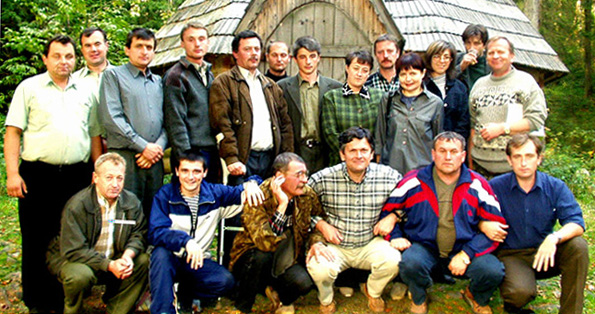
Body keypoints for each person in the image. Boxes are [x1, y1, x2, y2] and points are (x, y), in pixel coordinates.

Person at [4, 34, 98, 312]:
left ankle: (67, 295)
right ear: (45, 59)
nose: (63, 61)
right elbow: (12, 133)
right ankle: (37, 300)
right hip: (38, 175)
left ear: (75, 59)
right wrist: (12, 173)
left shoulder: (85, 91)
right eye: (56, 56)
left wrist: (95, 171)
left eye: (69, 56)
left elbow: (93, 135)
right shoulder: (29, 88)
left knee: (71, 237)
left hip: (77, 176)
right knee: (35, 237)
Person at [376, 131, 505, 314]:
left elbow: (497, 229)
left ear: (463, 156)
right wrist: (395, 234)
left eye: (454, 151)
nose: (448, 157)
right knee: (410, 263)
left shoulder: (478, 184)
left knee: (493, 271)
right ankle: (419, 296)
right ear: (433, 154)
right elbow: (387, 212)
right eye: (442, 151)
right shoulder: (414, 181)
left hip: (464, 248)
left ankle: (475, 295)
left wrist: (467, 254)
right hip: (425, 247)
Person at [149, 152, 263, 314]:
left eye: (196, 171)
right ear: (176, 171)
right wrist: (185, 241)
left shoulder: (215, 194)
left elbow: (255, 185)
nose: (190, 177)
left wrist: (251, 183)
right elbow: (156, 232)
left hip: (197, 261)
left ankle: (185, 294)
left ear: (204, 173)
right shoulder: (165, 195)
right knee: (160, 253)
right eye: (185, 171)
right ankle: (163, 310)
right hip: (169, 258)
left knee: (225, 281)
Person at [486, 134, 588, 314]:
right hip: (512, 255)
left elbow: (576, 223)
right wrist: (483, 225)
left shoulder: (555, 187)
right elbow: (474, 217)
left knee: (578, 247)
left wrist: (554, 238)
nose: (523, 163)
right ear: (509, 160)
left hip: (546, 252)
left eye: (529, 156)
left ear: (539, 159)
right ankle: (514, 302)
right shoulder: (495, 187)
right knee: (519, 292)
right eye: (517, 157)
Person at [307, 127, 402, 313]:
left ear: (372, 153)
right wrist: (320, 224)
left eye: (364, 150)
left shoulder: (389, 176)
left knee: (394, 260)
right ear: (342, 154)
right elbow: (300, 207)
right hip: (335, 246)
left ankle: (373, 292)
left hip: (370, 243)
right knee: (319, 268)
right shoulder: (323, 178)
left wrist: (393, 216)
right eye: (352, 150)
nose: (359, 155)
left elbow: (409, 202)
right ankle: (326, 299)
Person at [46, 152, 149, 314]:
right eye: (109, 178)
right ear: (95, 178)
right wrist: (109, 265)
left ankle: (117, 309)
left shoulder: (131, 202)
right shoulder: (77, 205)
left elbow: (138, 234)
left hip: (113, 258)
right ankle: (73, 310)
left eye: (119, 178)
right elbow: (73, 250)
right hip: (77, 260)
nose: (115, 184)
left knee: (142, 261)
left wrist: (127, 257)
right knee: (79, 276)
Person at [230, 153, 326, 314]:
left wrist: (316, 242)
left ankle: (282, 299)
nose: (305, 180)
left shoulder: (307, 195)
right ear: (279, 177)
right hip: (252, 260)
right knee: (262, 257)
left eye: (305, 174)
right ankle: (242, 307)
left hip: (286, 259)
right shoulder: (259, 196)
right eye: (299, 175)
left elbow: (319, 220)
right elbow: (265, 243)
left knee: (303, 283)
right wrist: (282, 205)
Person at [209, 30, 293, 186]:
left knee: (269, 206)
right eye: (247, 49)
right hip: (243, 159)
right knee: (242, 207)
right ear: (235, 53)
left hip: (270, 159)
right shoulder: (224, 83)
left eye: (256, 49)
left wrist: (285, 161)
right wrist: (231, 158)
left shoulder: (270, 86)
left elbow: (285, 126)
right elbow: (222, 125)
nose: (253, 53)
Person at [99, 28, 166, 217]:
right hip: (125, 157)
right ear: (127, 50)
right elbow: (112, 118)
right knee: (125, 211)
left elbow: (168, 120)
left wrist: (156, 148)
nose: (144, 51)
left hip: (154, 159)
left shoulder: (158, 81)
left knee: (153, 210)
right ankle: (126, 247)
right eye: (139, 46)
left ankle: (151, 246)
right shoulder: (113, 76)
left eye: (149, 47)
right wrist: (143, 147)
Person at [469, 36, 548, 179]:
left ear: (512, 56)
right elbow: (473, 125)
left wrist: (502, 129)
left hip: (515, 169)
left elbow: (536, 120)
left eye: (501, 52)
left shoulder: (526, 82)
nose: (495, 56)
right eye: (491, 53)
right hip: (480, 168)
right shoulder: (478, 85)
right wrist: (470, 162)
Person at [163, 22, 223, 183]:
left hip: (211, 149)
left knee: (211, 202)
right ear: (182, 43)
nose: (197, 44)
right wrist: (186, 158)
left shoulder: (209, 74)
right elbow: (174, 121)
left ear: (208, 42)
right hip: (191, 153)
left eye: (202, 39)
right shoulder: (175, 76)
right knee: (188, 204)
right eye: (191, 39)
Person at [278, 36, 342, 173]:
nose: (308, 62)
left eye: (312, 56)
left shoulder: (335, 88)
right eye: (303, 57)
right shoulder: (282, 88)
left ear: (319, 57)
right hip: (296, 152)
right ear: (294, 59)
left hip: (326, 153)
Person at [375, 52, 443, 175]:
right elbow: (380, 137)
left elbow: (438, 140)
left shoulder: (435, 103)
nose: (408, 79)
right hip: (390, 170)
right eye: (403, 74)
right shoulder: (388, 100)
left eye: (413, 73)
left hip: (422, 171)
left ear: (423, 73)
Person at [321, 50, 383, 165]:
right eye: (356, 68)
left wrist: (367, 154)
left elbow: (382, 132)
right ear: (347, 68)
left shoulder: (379, 96)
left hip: (370, 162)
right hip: (339, 162)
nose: (359, 74)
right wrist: (350, 154)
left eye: (364, 70)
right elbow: (330, 134)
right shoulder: (332, 97)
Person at [73, 27, 112, 161]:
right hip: (84, 154)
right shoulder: (72, 82)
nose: (93, 49)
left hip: (119, 150)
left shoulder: (122, 77)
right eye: (88, 45)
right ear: (82, 50)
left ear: (106, 46)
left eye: (97, 44)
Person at [423, 40, 470, 140]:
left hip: (453, 146)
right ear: (429, 58)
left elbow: (463, 122)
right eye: (437, 56)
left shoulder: (459, 88)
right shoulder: (421, 86)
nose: (442, 60)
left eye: (446, 57)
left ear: (451, 60)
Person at [455, 24, 491, 89]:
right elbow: (444, 80)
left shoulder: (491, 63)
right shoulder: (456, 59)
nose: (472, 48)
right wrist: (461, 67)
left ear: (484, 45)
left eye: (476, 43)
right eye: (468, 43)